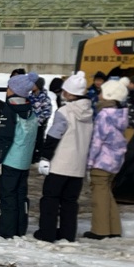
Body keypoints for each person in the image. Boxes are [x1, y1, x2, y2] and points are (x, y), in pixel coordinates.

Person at [35, 72, 93, 242]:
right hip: (78, 165)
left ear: (67, 92)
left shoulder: (65, 111)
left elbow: (54, 136)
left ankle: (47, 232)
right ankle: (68, 234)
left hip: (61, 163)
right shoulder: (89, 112)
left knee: (50, 199)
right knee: (70, 202)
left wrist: (45, 157)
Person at [0, 72, 39, 238]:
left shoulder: (10, 109)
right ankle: (20, 227)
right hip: (24, 161)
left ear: (15, 90)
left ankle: (6, 229)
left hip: (10, 160)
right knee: (20, 196)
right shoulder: (30, 109)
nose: (7, 89)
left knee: (7, 196)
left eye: (9, 87)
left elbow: (5, 137)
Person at [85, 78, 132, 240]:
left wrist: (89, 162)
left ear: (108, 95)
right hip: (114, 161)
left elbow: (97, 141)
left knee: (99, 196)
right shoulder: (120, 114)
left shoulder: (104, 115)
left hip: (101, 161)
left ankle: (100, 230)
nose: (99, 94)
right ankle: (114, 228)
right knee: (107, 194)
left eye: (101, 92)